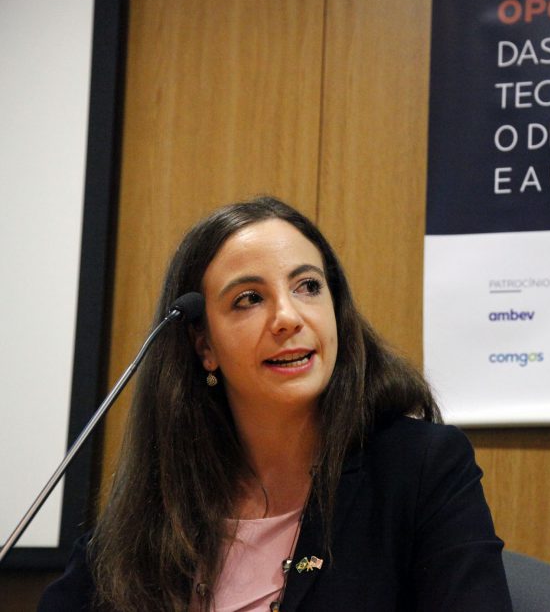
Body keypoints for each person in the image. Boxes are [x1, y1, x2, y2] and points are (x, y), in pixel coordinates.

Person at [39, 196, 512, 611]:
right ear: (203, 345)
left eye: (308, 286)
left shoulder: (419, 468)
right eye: (249, 299)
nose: (288, 317)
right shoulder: (160, 497)